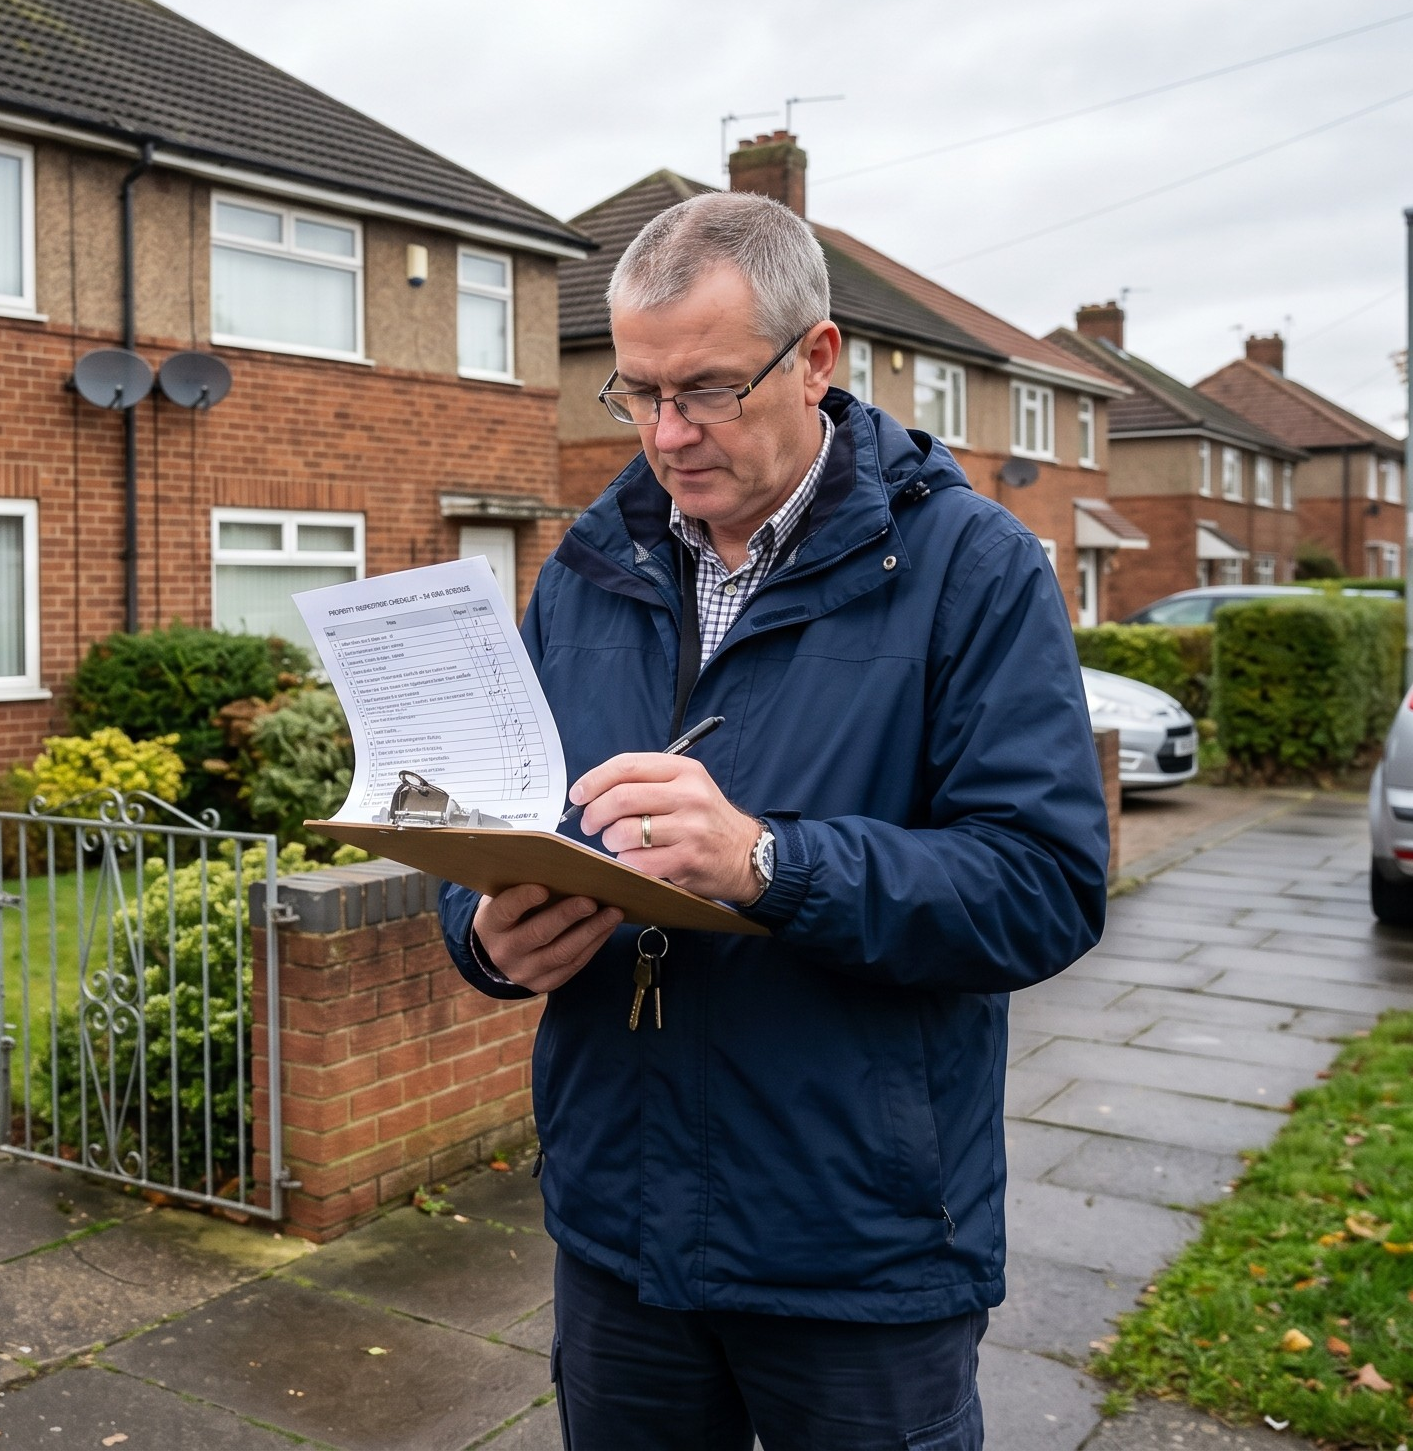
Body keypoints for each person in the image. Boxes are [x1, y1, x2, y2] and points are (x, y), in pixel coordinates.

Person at [439, 191, 1107, 1449]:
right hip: (616, 1226)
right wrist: (481, 936)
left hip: (855, 1242)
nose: (667, 434)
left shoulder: (973, 569)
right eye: (635, 393)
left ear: (816, 359)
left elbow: (1043, 886)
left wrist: (769, 862)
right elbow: (495, 817)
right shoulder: (584, 568)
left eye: (705, 390)